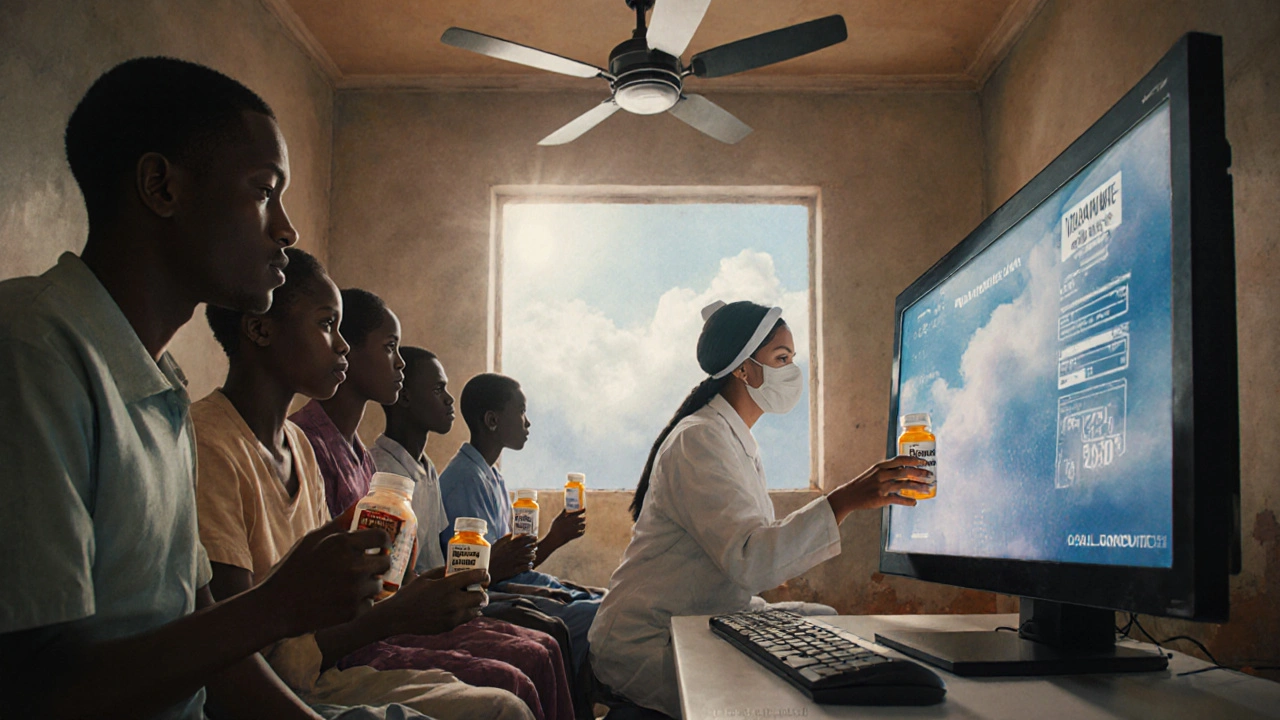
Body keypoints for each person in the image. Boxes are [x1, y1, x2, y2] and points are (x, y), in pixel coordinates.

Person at [0, 57, 411, 720]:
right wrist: (277, 607)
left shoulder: (159, 390)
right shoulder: (33, 351)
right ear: (162, 186)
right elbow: (37, 690)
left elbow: (206, 645)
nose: (286, 229)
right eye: (263, 190)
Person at [195, 248, 543, 720]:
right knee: (505, 699)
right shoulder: (211, 444)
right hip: (278, 689)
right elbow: (236, 653)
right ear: (259, 329)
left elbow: (339, 600)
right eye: (326, 326)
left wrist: (415, 592)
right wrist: (396, 614)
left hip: (323, 668)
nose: (341, 346)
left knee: (507, 702)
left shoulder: (297, 443)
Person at [588, 300, 933, 718]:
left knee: (823, 620)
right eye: (781, 358)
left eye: (792, 359)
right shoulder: (698, 440)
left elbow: (752, 547)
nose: (793, 372)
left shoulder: (732, 440)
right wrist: (846, 498)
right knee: (785, 699)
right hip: (651, 640)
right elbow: (750, 559)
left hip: (699, 617)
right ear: (743, 368)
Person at [288, 289, 573, 720]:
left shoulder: (368, 459)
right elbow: (365, 592)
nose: (399, 363)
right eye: (389, 349)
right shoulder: (318, 448)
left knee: (548, 635)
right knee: (519, 671)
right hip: (354, 641)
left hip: (391, 619)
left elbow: (413, 566)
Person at [374, 347, 592, 719]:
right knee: (561, 628)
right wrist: (547, 546)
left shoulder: (428, 472)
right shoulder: (403, 477)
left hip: (451, 591)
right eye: (438, 390)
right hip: (432, 602)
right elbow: (472, 571)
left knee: (578, 610)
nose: (448, 400)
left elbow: (495, 566)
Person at [437, 373, 604, 675]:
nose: (528, 423)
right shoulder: (463, 481)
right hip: (495, 601)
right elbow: (480, 577)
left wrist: (556, 561)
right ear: (492, 420)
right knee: (603, 616)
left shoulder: (492, 476)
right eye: (521, 411)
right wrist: (551, 546)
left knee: (607, 599)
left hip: (520, 587)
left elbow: (513, 564)